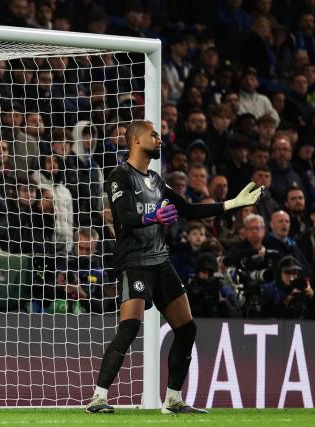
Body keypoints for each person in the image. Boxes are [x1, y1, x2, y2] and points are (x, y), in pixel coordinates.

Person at [86, 120, 263, 414]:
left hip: (161, 262)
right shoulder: (120, 175)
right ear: (135, 140)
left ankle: (173, 399)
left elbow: (190, 210)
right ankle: (98, 397)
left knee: (187, 329)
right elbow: (125, 216)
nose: (159, 139)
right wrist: (154, 217)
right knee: (130, 328)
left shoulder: (156, 181)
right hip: (134, 263)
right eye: (153, 135)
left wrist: (232, 204)